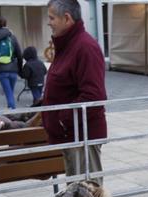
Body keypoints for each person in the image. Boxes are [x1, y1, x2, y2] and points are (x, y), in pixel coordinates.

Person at [43, 0, 107, 183]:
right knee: (78, 193)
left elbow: (94, 97)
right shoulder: (69, 45)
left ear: (67, 18)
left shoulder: (84, 47)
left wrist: (62, 120)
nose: (49, 22)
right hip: (73, 135)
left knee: (88, 196)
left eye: (51, 17)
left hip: (82, 136)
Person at [0, 17, 23, 110]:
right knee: (10, 92)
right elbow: (19, 54)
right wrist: (20, 69)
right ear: (6, 24)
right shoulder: (12, 36)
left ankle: (12, 110)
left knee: (9, 93)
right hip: (13, 69)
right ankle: (11, 109)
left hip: (1, 69)